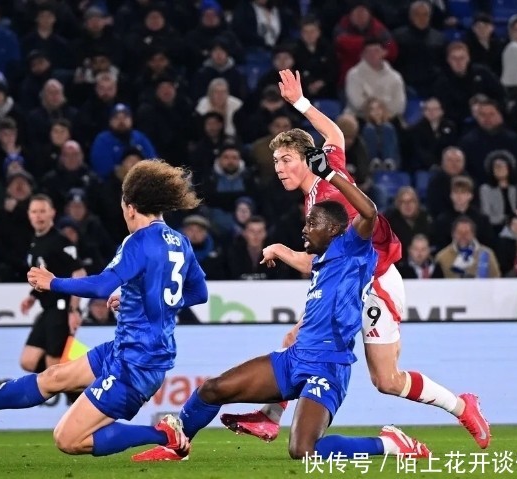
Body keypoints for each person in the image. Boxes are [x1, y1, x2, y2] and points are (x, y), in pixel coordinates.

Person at [215, 70, 490, 450]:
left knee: (386, 380)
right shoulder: (320, 182)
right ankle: (269, 417)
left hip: (373, 282)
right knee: (296, 338)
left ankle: (462, 407)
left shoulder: (331, 194)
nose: (278, 168)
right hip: (348, 282)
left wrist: (281, 250)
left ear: (305, 159)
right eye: (275, 161)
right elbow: (335, 136)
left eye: (286, 159)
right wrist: (300, 103)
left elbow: (326, 256)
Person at [134, 147, 429, 462]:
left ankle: (390, 444)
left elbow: (369, 212)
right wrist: (278, 250)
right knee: (212, 389)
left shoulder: (353, 249)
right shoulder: (321, 260)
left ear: (333, 229)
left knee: (303, 450)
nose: (304, 228)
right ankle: (177, 445)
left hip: (328, 367)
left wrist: (330, 174)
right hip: (294, 360)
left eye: (312, 223)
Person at [0, 160, 207, 458]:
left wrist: (53, 282)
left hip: (136, 364)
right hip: (128, 349)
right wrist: (144, 299)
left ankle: (164, 435)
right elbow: (199, 293)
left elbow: (101, 287)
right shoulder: (180, 242)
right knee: (54, 377)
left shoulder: (138, 242)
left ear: (130, 207)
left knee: (67, 439)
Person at [17, 194, 86, 378]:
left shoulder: (60, 241)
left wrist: (73, 309)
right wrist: (33, 296)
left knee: (53, 367)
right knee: (28, 361)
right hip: (47, 309)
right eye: (34, 212)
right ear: (29, 214)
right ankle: (77, 374)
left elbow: (79, 273)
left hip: (61, 309)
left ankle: (82, 381)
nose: (38, 216)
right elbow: (47, 275)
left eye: (42, 211)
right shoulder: (35, 242)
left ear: (52, 213)